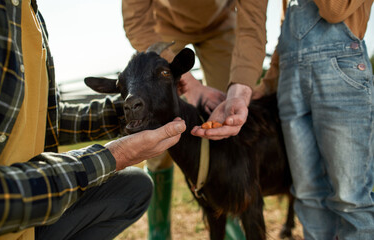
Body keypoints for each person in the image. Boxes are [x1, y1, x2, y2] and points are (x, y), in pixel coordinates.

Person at [0, 0, 186, 240]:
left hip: (29, 216)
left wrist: (142, 107)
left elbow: (43, 119)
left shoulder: (29, 14)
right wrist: (115, 156)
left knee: (135, 186)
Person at [122, 0, 269, 239]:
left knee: (226, 123)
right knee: (157, 125)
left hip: (221, 23)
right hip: (164, 26)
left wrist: (239, 92)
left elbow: (252, 25)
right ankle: (159, 229)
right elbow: (136, 21)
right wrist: (187, 82)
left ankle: (224, 214)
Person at [275, 0, 374, 239]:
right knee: (308, 195)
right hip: (289, 78)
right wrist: (268, 81)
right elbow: (285, 32)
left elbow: (334, 10)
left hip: (340, 71)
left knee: (350, 198)